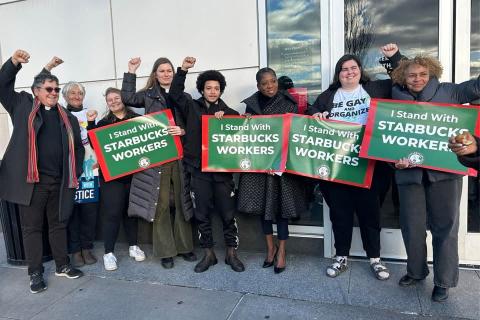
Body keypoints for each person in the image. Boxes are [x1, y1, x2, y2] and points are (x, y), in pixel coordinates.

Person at [307, 44, 402, 280]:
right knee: (340, 214)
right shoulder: (328, 96)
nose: (349, 72)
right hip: (337, 166)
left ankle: (375, 259)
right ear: (338, 74)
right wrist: (315, 115)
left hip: (369, 166)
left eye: (353, 68)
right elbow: (312, 116)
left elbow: (402, 80)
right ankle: (341, 257)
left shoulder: (376, 89)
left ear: (360, 70)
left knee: (370, 213)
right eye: (344, 69)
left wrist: (394, 58)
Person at [390, 55, 480, 302]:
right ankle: (416, 272)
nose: (417, 79)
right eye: (411, 74)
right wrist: (392, 160)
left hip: (445, 173)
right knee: (412, 227)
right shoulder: (394, 98)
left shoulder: (449, 92)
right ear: (402, 77)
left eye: (422, 74)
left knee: (445, 228)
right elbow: (385, 136)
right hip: (409, 174)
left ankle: (444, 280)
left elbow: (475, 87)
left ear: (431, 74)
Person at [0, 50, 85, 293]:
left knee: (58, 225)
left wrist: (75, 172)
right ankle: (35, 272)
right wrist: (14, 63)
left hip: (59, 182)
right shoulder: (22, 106)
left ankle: (62, 265)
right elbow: (1, 85)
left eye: (57, 90)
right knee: (32, 229)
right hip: (32, 183)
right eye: (49, 89)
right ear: (37, 91)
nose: (54, 93)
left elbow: (77, 148)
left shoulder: (66, 116)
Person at [169, 56, 245, 273]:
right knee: (201, 214)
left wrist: (229, 119)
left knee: (228, 214)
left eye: (216, 88)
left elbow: (242, 139)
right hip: (199, 171)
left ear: (221, 90)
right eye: (208, 88)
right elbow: (174, 94)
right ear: (202, 89)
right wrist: (183, 70)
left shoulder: (230, 113)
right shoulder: (191, 107)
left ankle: (232, 253)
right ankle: (208, 254)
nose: (212, 91)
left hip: (222, 174)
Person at [121, 57, 196, 269]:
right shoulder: (148, 95)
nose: (166, 74)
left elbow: (192, 124)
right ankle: (166, 252)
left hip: (179, 157)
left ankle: (185, 247)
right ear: (155, 74)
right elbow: (126, 98)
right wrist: (131, 71)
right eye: (161, 71)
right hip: (158, 158)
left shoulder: (184, 96)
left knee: (182, 202)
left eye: (169, 70)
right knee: (160, 204)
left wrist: (182, 131)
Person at [237, 67, 307, 274]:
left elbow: (294, 136)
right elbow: (246, 136)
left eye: (273, 81)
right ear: (258, 86)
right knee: (263, 210)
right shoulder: (251, 105)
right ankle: (270, 248)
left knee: (281, 210)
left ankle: (282, 252)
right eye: (265, 83)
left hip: (280, 169)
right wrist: (244, 123)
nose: (270, 86)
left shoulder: (289, 104)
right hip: (259, 167)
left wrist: (277, 162)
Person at [42, 57, 99, 267]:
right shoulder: (58, 115)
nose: (77, 96)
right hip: (67, 171)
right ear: (64, 96)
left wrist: (92, 124)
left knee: (89, 210)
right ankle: (75, 249)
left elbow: (97, 142)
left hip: (90, 170)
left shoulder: (91, 114)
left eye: (80, 93)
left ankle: (87, 247)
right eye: (72, 93)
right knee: (71, 209)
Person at [87, 88, 145, 271]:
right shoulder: (103, 123)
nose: (113, 101)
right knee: (111, 214)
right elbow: (95, 145)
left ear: (123, 99)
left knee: (131, 213)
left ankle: (133, 246)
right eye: (109, 99)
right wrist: (90, 123)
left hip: (134, 175)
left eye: (116, 98)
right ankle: (109, 253)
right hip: (112, 176)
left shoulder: (136, 119)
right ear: (107, 102)